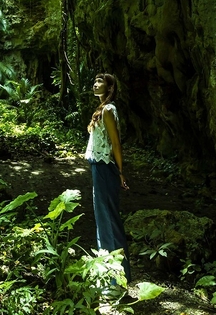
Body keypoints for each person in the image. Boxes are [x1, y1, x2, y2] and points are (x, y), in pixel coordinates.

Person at [85, 72, 132, 283]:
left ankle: (116, 279)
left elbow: (115, 143)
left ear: (110, 87)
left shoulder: (108, 110)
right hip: (99, 168)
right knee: (103, 222)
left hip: (105, 169)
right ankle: (108, 276)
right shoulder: (101, 110)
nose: (95, 84)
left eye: (100, 81)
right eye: (95, 81)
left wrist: (121, 173)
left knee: (109, 222)